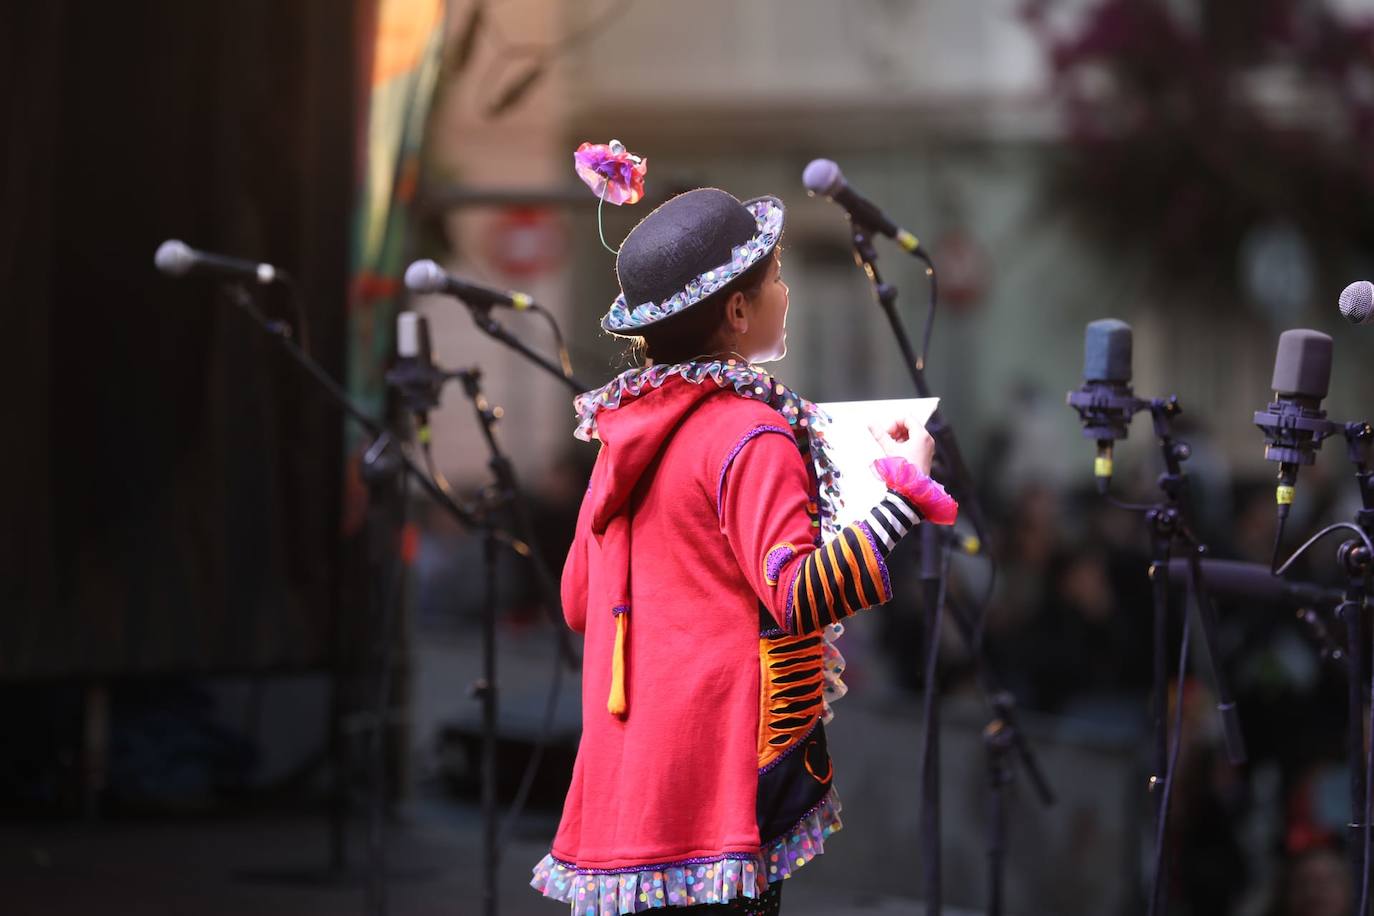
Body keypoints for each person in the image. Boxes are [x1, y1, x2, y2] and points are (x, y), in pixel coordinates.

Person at [530, 187, 958, 914]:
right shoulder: (750, 433)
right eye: (777, 279)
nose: (785, 294)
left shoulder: (620, 437)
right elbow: (798, 594)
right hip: (712, 791)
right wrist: (901, 500)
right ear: (736, 312)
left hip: (624, 802)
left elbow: (579, 603)